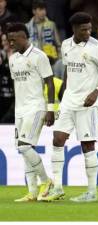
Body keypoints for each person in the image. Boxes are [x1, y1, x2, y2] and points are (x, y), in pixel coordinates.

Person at [43, 12, 98, 202]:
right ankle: (57, 187)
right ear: (74, 29)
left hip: (88, 104)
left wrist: (96, 91)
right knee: (57, 139)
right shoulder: (66, 44)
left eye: (89, 28)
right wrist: (64, 93)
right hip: (68, 101)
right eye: (83, 30)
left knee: (87, 145)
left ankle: (92, 192)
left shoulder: (96, 46)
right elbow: (68, 69)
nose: (88, 32)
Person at [7, 22, 54, 202]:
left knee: (24, 146)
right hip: (20, 110)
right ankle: (32, 192)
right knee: (26, 150)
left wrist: (50, 109)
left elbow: (49, 82)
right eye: (8, 40)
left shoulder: (39, 56)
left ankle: (46, 181)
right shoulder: (13, 59)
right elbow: (18, 85)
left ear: (24, 37)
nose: (11, 43)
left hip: (36, 108)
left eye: (14, 39)